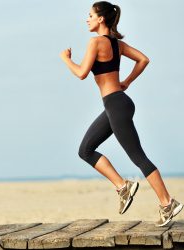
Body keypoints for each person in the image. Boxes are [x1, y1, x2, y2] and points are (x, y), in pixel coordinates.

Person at [59, 1, 183, 227]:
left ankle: (167, 203)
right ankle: (122, 186)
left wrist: (66, 59)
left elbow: (81, 73)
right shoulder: (118, 45)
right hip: (117, 103)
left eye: (90, 15)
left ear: (101, 19)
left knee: (138, 157)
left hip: (116, 105)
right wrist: (126, 82)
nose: (86, 19)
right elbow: (143, 59)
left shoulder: (95, 42)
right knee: (85, 150)